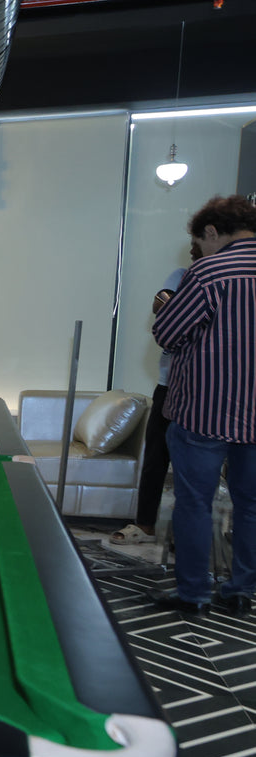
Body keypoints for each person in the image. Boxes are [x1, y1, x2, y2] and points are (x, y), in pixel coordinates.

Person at [148, 195, 256, 615]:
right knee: (251, 505)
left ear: (212, 232)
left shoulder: (209, 271)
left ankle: (193, 594)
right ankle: (242, 589)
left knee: (194, 502)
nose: (200, 250)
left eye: (201, 241)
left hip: (204, 410)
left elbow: (168, 333)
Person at [111, 241, 202, 544]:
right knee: (155, 457)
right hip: (168, 383)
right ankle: (145, 525)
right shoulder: (182, 275)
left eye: (197, 242)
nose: (193, 249)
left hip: (203, 389)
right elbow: (161, 305)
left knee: (194, 464)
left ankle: (185, 533)